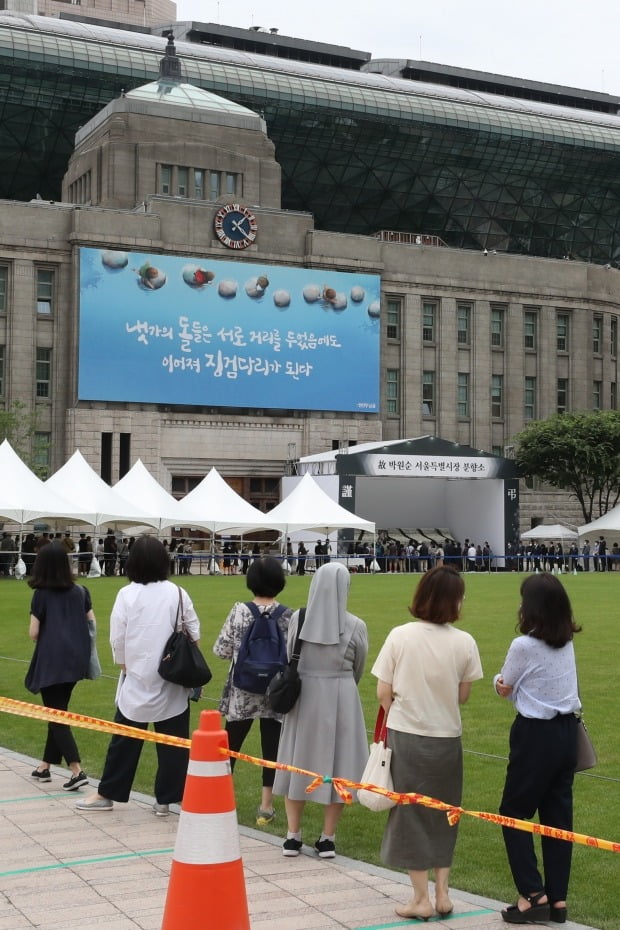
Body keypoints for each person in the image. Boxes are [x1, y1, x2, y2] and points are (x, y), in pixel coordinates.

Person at [372, 564, 483, 920]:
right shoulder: (464, 642)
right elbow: (463, 695)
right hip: (447, 737)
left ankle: (420, 898)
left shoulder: (400, 636)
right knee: (445, 813)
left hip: (408, 734)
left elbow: (383, 692)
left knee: (410, 815)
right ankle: (442, 893)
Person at [76, 535, 200, 815]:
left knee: (125, 740)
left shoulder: (128, 594)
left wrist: (124, 665)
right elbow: (194, 633)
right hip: (171, 677)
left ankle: (109, 792)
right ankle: (167, 798)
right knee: (172, 742)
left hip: (138, 675)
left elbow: (117, 638)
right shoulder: (177, 592)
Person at [494, 573, 581, 925]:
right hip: (566, 733)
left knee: (512, 813)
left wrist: (502, 685)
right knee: (557, 820)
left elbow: (505, 686)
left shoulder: (524, 645)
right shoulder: (566, 641)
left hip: (536, 734)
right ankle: (557, 899)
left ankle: (533, 894)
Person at [273, 561, 368, 859]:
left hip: (305, 696)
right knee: (339, 766)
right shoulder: (355, 626)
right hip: (341, 696)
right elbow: (359, 667)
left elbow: (291, 655)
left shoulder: (298, 619)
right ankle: (328, 837)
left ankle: (293, 834)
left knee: (297, 760)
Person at [213, 557, 293, 826]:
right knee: (271, 747)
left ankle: (220, 799)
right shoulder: (287, 615)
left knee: (230, 747)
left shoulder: (240, 611)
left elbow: (221, 650)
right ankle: (266, 807)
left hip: (242, 690)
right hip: (275, 691)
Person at [25, 541, 94, 791]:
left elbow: (34, 632)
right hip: (76, 659)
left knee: (56, 714)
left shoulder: (41, 594)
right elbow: (91, 623)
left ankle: (76, 769)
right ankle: (45, 766)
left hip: (51, 660)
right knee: (58, 710)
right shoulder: (80, 591)